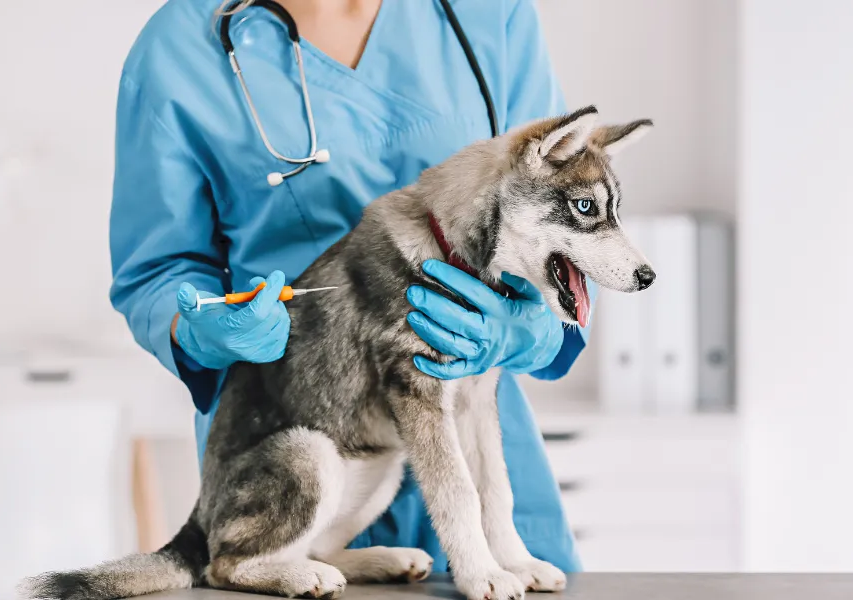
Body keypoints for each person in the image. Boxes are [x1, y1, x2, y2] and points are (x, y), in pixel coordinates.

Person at [110, 0, 597, 575]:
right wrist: (200, 326)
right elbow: (156, 269)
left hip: (473, 421)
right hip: (300, 423)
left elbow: (559, 207)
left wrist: (533, 332)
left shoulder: (488, 13)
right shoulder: (181, 46)